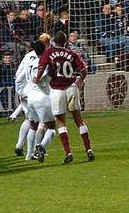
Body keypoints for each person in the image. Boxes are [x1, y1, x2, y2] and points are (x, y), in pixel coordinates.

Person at [34, 31, 94, 164]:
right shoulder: (72, 53)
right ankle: (89, 149)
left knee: (60, 122)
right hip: (71, 88)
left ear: (54, 41)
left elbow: (41, 67)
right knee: (79, 120)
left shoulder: (49, 52)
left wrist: (37, 78)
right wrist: (79, 81)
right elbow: (84, 70)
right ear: (65, 42)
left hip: (57, 90)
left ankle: (68, 152)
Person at [13, 41, 55, 160]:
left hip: (30, 97)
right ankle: (40, 147)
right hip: (42, 96)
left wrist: (21, 93)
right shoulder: (45, 63)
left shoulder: (28, 61)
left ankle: (29, 155)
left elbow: (18, 79)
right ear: (45, 49)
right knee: (51, 127)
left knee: (33, 126)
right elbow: (44, 80)